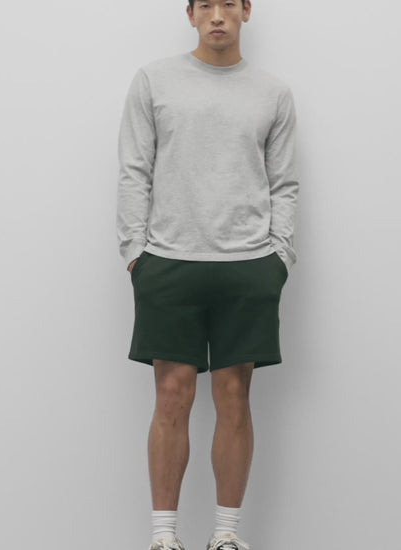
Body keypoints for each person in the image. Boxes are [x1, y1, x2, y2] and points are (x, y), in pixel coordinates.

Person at [116, 1, 299, 549]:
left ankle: (226, 535)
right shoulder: (154, 81)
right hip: (169, 262)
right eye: (206, 6)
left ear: (246, 11)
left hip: (248, 266)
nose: (217, 16)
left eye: (228, 4)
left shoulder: (272, 92)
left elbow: (284, 182)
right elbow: (134, 169)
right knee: (171, 398)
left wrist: (279, 257)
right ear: (190, 14)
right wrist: (135, 252)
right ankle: (163, 537)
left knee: (233, 396)